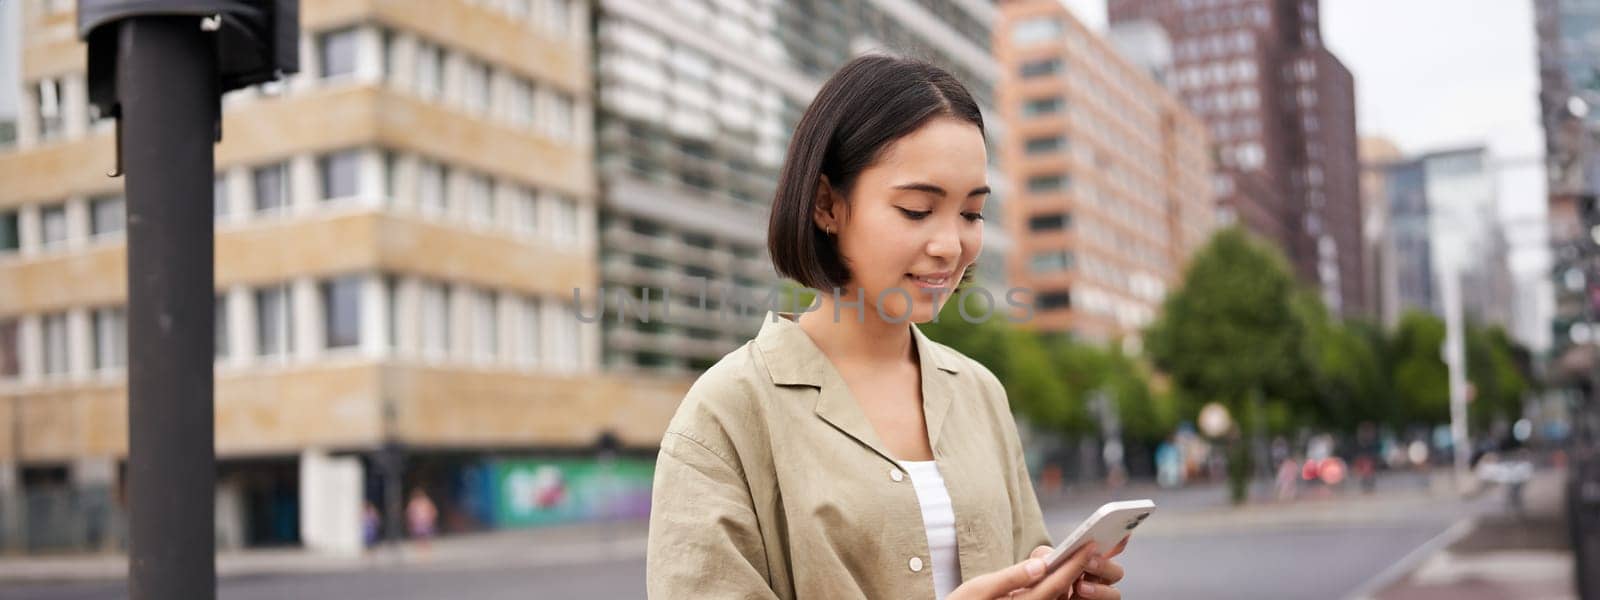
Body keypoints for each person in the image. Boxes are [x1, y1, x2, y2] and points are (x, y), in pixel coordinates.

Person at [645, 55, 1129, 599]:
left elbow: (1021, 562)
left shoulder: (979, 394)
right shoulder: (725, 413)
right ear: (828, 204)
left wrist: (1054, 584)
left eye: (971, 214)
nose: (951, 246)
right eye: (918, 210)